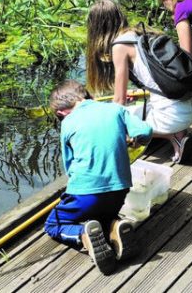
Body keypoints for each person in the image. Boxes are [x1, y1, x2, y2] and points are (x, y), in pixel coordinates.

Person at [86, 0, 192, 164]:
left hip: (174, 117)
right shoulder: (144, 33)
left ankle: (175, 136)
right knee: (160, 106)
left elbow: (119, 101)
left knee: (123, 120)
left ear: (96, 27)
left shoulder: (119, 47)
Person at [45, 80, 152, 275]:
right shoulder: (115, 109)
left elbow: (69, 166)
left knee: (53, 225)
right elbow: (145, 131)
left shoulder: (68, 122)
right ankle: (115, 226)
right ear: (87, 95)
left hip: (85, 193)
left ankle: (81, 235)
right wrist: (137, 141)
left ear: (62, 113)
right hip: (119, 190)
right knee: (103, 215)